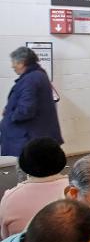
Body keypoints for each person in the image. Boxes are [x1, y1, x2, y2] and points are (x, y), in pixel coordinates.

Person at [0, 47, 63, 181]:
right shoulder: (38, 75)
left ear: (22, 62)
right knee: (40, 170)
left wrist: (10, 115)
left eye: (14, 63)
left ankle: (25, 197)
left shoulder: (30, 79)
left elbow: (26, 110)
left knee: (27, 170)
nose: (12, 66)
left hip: (29, 137)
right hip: (36, 134)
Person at [0, 138, 68, 239]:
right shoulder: (76, 189)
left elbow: (5, 238)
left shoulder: (10, 198)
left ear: (24, 165)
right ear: (61, 161)